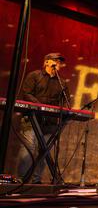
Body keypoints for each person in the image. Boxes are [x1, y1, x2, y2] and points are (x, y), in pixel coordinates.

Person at [16, 52, 69, 183]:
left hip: (49, 122)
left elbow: (66, 101)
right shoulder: (34, 75)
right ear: (46, 62)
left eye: (59, 61)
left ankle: (36, 180)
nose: (58, 63)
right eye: (55, 60)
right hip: (32, 119)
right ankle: (21, 180)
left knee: (44, 152)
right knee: (28, 148)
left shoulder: (61, 83)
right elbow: (26, 93)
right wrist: (40, 107)